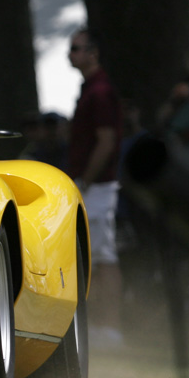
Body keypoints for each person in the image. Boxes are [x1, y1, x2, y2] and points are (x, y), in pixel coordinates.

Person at [67, 26, 123, 345]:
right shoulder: (91, 88)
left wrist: (86, 179)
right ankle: (102, 326)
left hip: (98, 185)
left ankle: (111, 328)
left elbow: (106, 140)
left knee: (104, 257)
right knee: (97, 256)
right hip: (92, 183)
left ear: (93, 52)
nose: (70, 55)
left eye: (76, 49)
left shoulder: (100, 91)